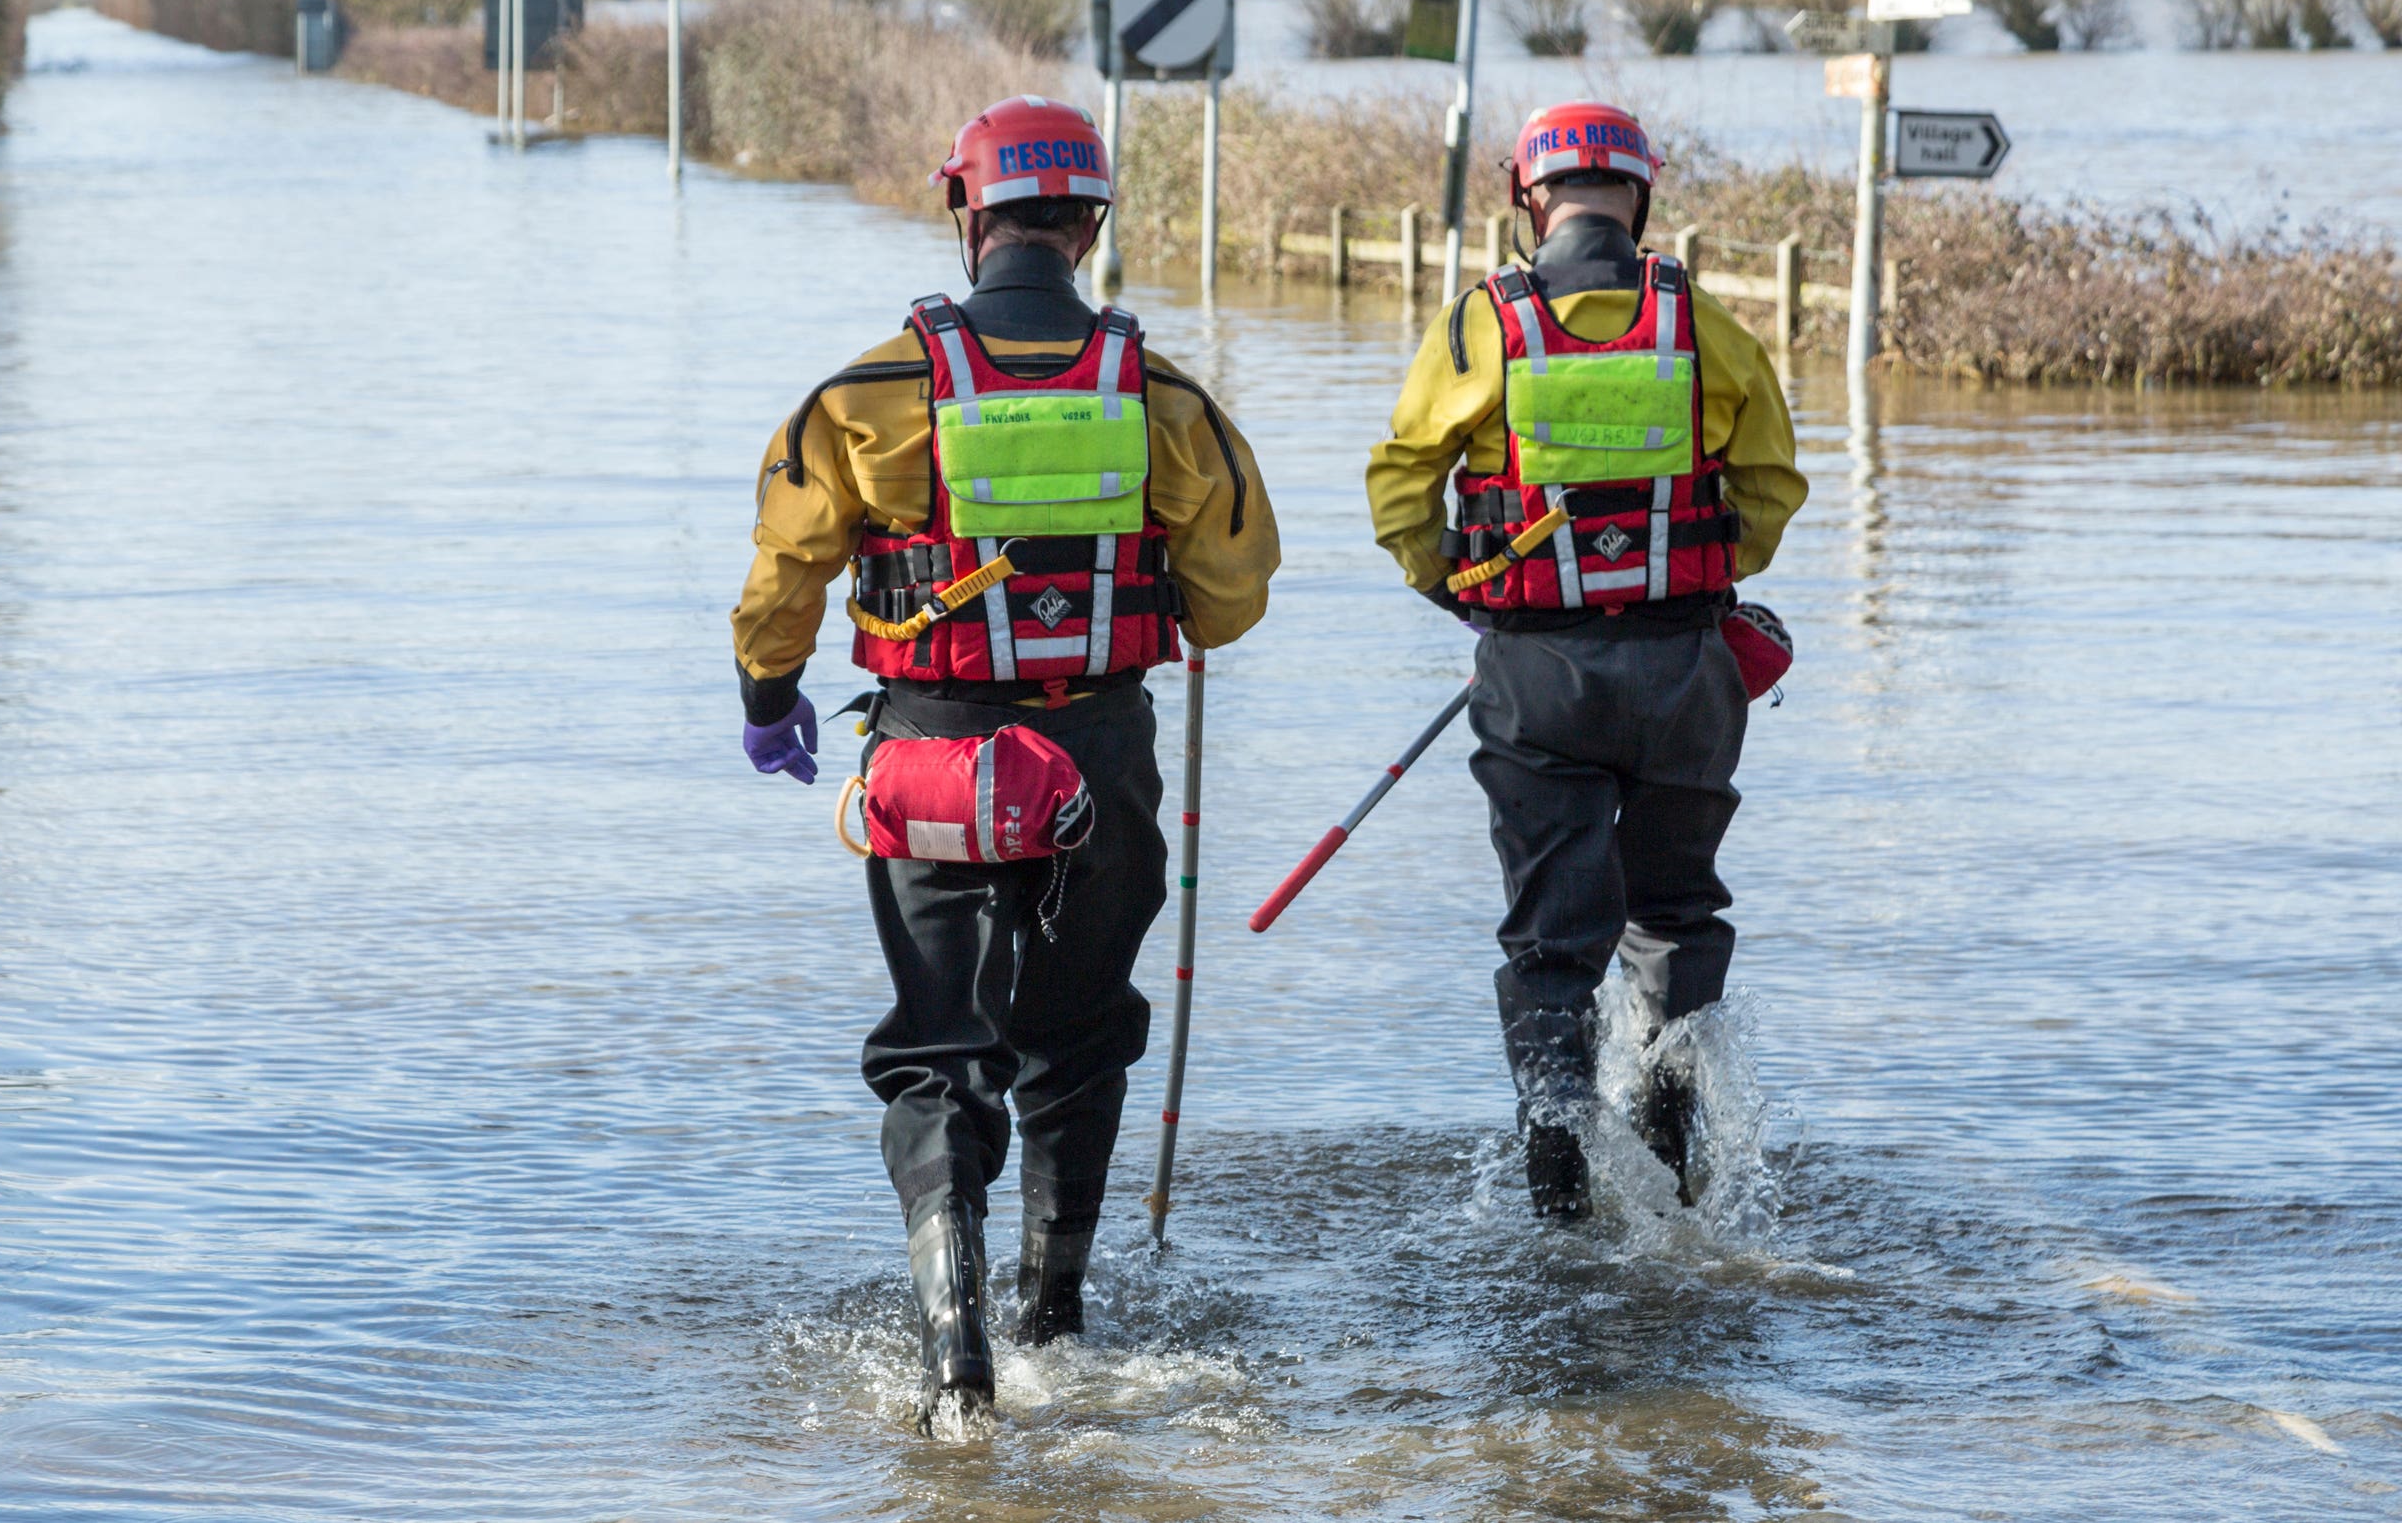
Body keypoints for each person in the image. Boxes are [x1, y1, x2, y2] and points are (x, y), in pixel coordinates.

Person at [733, 96, 1279, 1419]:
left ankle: (957, 1367)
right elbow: (1234, 589)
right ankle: (1061, 1320)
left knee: (941, 1046)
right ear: (1090, 224)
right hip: (1101, 754)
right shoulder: (1163, 396)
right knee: (1078, 1036)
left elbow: (785, 569)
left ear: (964, 213)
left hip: (931, 754)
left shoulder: (863, 395)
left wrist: (769, 692)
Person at [1365, 102, 1806, 1220]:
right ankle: (1667, 1169)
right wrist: (1695, 584)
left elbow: (1401, 486)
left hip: (1537, 676)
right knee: (1673, 918)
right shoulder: (1702, 323)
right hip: (1684, 671)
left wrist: (1464, 591)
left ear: (1529, 199)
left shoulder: (1481, 325)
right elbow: (1769, 489)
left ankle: (1556, 1190)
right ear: (1640, 195)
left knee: (1551, 941)